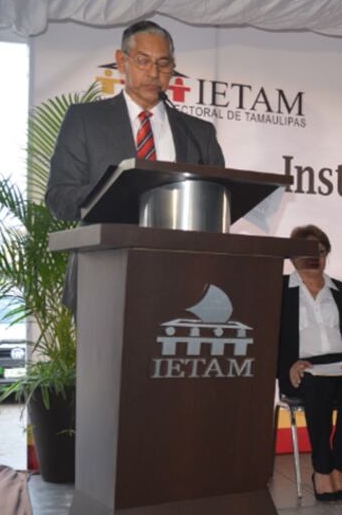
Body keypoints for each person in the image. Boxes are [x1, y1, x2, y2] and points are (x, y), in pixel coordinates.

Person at [46, 20, 226, 311]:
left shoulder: (198, 133)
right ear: (122, 61)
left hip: (185, 283)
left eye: (163, 63)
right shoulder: (85, 120)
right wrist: (115, 191)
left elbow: (218, 200)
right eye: (143, 61)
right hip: (103, 277)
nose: (153, 73)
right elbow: (59, 198)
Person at [277, 225, 342, 502]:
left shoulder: (341, 290)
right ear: (292, 258)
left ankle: (339, 464)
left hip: (339, 365)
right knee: (318, 388)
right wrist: (289, 366)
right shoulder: (279, 290)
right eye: (306, 253)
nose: (315, 257)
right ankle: (322, 468)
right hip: (302, 368)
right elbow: (269, 339)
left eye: (321, 251)